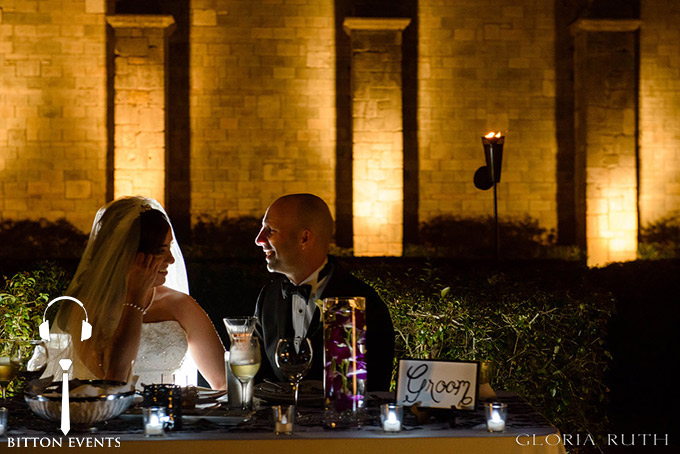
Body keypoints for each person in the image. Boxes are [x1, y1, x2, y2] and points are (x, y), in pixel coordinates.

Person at [52, 196, 226, 389]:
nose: (171, 260)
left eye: (170, 248)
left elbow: (223, 381)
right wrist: (135, 298)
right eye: (160, 251)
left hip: (168, 415)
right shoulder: (85, 309)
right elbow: (115, 380)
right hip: (112, 417)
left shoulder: (180, 305)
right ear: (127, 253)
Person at [253, 193, 395, 391]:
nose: (259, 240)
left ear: (304, 238)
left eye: (271, 230)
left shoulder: (360, 302)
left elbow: (371, 389)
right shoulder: (269, 298)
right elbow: (259, 379)